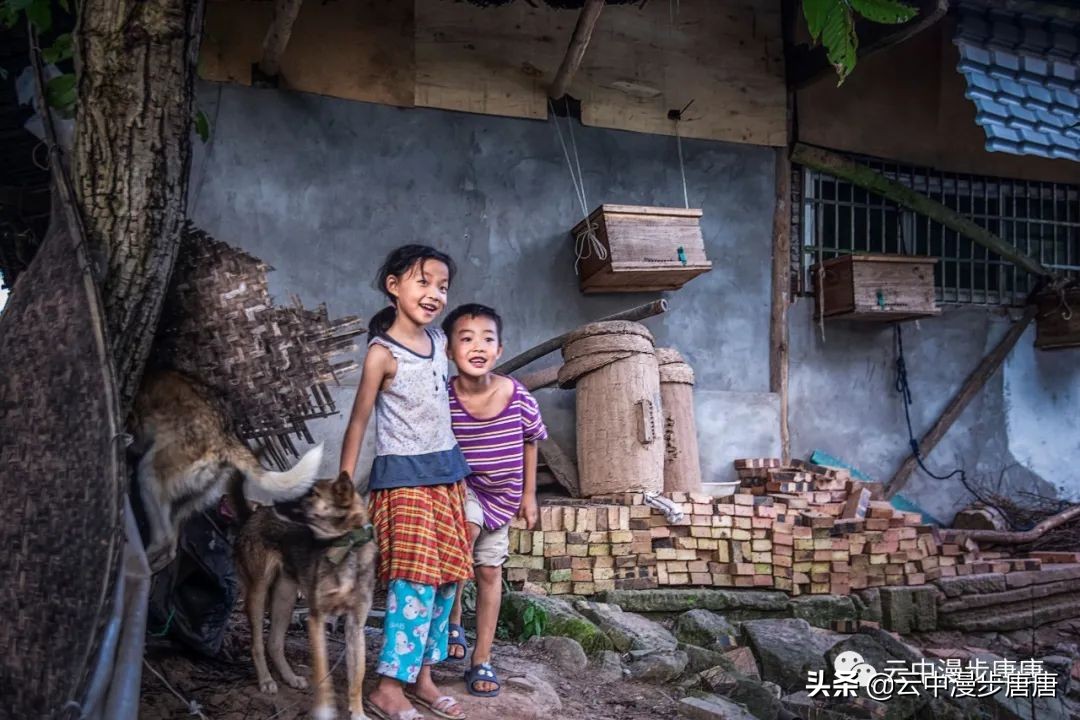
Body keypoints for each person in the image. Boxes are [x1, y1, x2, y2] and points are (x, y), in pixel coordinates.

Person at [339, 245, 472, 720]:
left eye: (442, 286)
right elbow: (357, 423)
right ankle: (388, 686)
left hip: (447, 478)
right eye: (423, 282)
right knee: (414, 582)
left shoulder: (440, 343)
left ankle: (422, 676)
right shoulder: (382, 354)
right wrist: (343, 486)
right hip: (403, 484)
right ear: (393, 286)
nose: (434, 294)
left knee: (447, 581)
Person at [441, 303, 547, 698]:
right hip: (463, 488)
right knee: (463, 539)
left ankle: (481, 657)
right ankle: (451, 619)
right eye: (466, 339)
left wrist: (529, 495)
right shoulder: (444, 398)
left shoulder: (516, 395)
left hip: (502, 496)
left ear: (499, 350)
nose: (477, 346)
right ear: (450, 352)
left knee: (488, 571)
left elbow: (532, 440)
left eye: (487, 338)